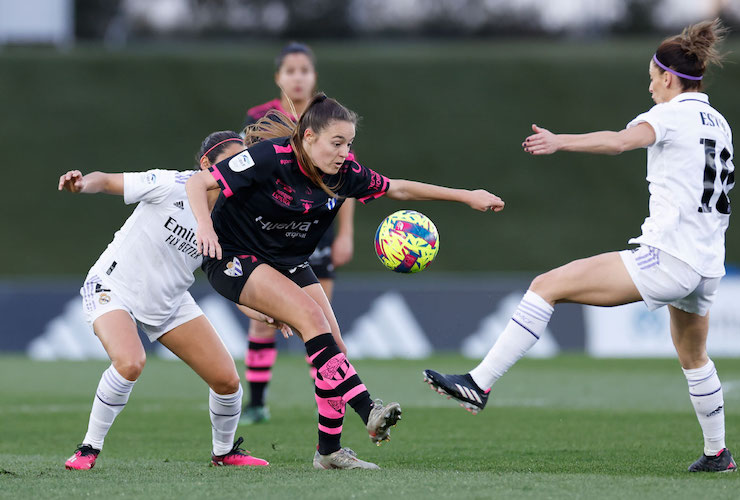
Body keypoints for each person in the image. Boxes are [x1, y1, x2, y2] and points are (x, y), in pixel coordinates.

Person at [423, 19, 737, 473]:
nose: (650, 90)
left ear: (668, 78)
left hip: (669, 255)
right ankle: (717, 454)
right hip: (707, 262)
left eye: (652, 81)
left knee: (546, 285)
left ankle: (479, 383)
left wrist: (559, 141)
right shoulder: (719, 122)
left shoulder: (670, 113)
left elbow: (620, 141)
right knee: (694, 357)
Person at [186, 93, 504, 469]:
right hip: (234, 257)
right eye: (337, 143)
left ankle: (329, 452)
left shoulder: (345, 174)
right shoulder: (269, 157)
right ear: (308, 138)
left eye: (349, 143)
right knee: (312, 321)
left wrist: (466, 196)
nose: (344, 152)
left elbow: (398, 188)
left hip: (286, 260)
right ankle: (368, 408)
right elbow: (197, 184)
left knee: (334, 346)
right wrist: (205, 228)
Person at [58, 131, 275, 470]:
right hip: (114, 286)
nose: (238, 170)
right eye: (230, 162)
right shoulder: (170, 184)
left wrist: (264, 310)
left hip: (170, 301)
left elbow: (231, 279)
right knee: (130, 362)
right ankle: (88, 448)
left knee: (228, 381)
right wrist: (82, 183)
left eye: (242, 164)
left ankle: (224, 452)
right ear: (206, 164)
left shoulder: (231, 219)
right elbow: (105, 181)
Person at [239, 42, 356, 424]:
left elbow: (347, 179)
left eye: (304, 70)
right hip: (271, 232)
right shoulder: (260, 118)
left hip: (316, 230)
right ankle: (256, 402)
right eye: (290, 70)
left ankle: (329, 398)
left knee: (320, 321)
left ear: (313, 76)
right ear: (278, 78)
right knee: (262, 319)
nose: (298, 77)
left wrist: (345, 234)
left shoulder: (329, 120)